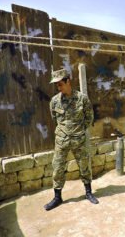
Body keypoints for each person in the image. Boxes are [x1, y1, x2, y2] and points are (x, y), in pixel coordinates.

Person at [44, 69, 99, 211]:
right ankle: (57, 197)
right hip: (61, 140)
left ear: (68, 81)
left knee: (84, 166)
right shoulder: (55, 101)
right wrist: (65, 131)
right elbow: (54, 118)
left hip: (78, 139)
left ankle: (88, 192)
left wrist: (78, 131)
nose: (58, 87)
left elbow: (89, 117)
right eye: (57, 85)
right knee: (57, 168)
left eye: (60, 84)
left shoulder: (82, 98)